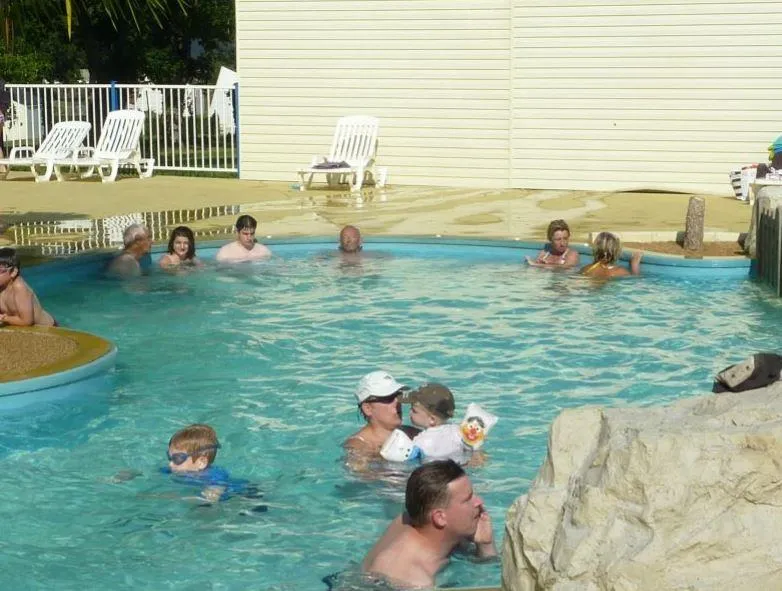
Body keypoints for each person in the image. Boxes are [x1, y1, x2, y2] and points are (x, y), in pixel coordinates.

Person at [361, 460, 496, 589]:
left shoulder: (419, 519)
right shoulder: (413, 580)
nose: (479, 501)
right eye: (468, 499)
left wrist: (485, 544)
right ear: (440, 518)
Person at [163, 423, 263, 506]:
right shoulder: (174, 470)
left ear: (201, 462)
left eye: (177, 459)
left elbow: (210, 499)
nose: (170, 464)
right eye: (170, 457)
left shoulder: (215, 476)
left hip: (245, 493)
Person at [344, 371, 408, 455]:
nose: (397, 401)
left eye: (398, 395)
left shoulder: (411, 433)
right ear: (368, 408)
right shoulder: (358, 447)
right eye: (388, 398)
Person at [0, 247, 56, 327]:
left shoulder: (19, 287)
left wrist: (4, 318)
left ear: (13, 272)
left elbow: (27, 321)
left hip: (49, 328)